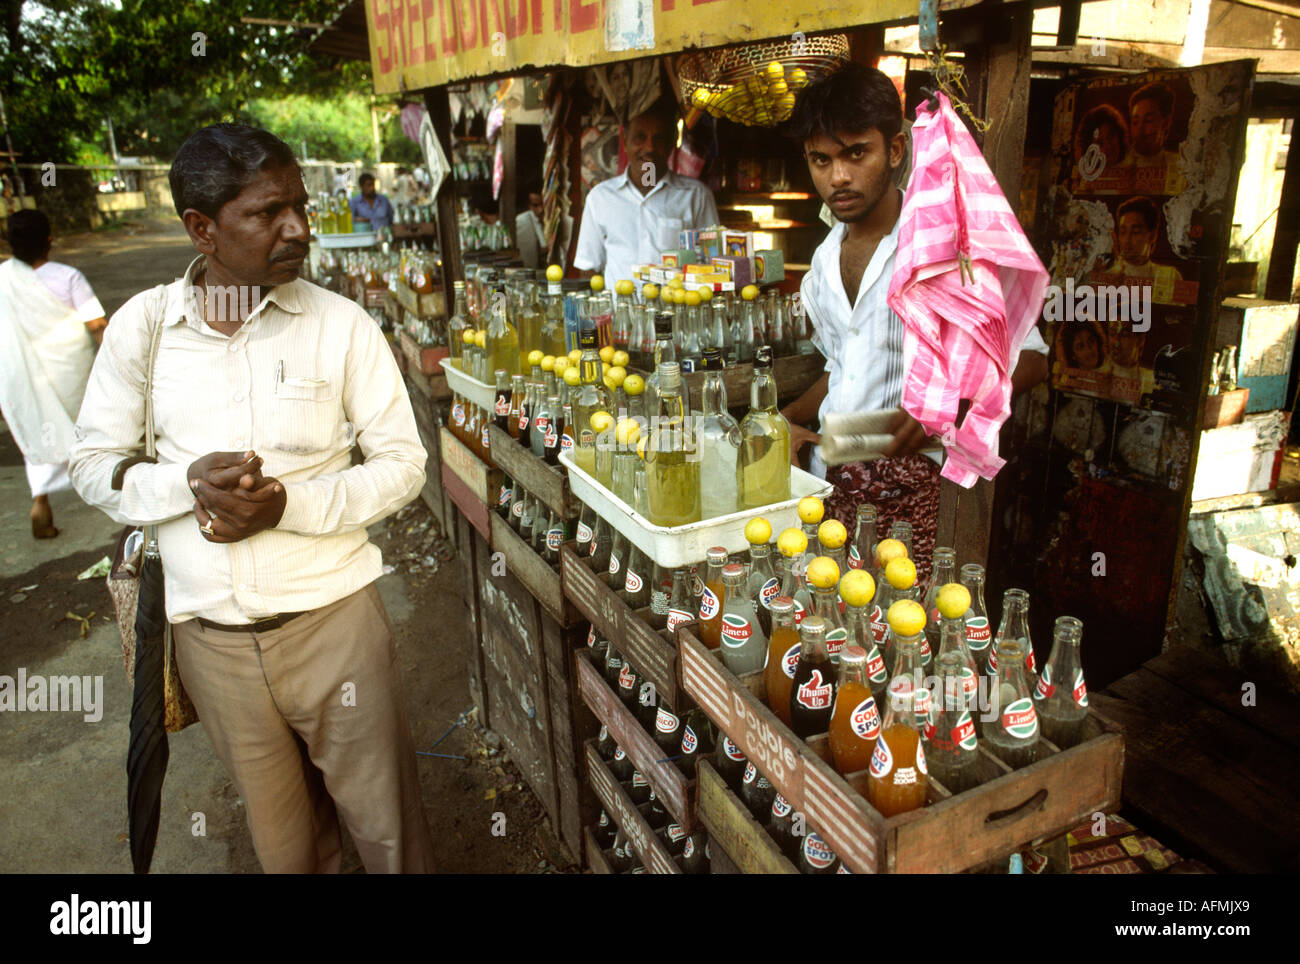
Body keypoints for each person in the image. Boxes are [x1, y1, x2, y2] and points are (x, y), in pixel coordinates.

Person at [68, 123, 435, 874]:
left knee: (389, 834)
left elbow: (404, 465)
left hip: (337, 628)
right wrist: (185, 485)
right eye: (268, 213)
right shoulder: (145, 330)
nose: (297, 228)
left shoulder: (341, 325)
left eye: (298, 206)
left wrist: (286, 507)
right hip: (211, 645)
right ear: (202, 229)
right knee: (289, 849)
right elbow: (91, 466)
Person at [780, 64, 1049, 582]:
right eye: (822, 160)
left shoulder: (946, 252)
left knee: (906, 634)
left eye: (856, 153)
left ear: (896, 150)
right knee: (835, 632)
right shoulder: (821, 263)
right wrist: (787, 417)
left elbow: (1032, 359)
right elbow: (843, 365)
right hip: (832, 478)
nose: (838, 177)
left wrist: (949, 407)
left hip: (919, 489)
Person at [0, 210, 107, 539]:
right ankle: (105, 493)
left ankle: (40, 501)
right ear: (49, 239)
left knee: (41, 424)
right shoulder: (67, 276)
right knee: (90, 429)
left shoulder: (3, 278)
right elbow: (97, 325)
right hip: (72, 372)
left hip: (25, 374)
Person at [573, 97, 719, 287]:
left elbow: (714, 264)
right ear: (625, 141)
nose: (649, 147)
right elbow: (588, 266)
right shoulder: (600, 198)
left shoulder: (696, 196)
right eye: (640, 137)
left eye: (659, 139)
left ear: (672, 143)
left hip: (677, 313)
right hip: (620, 314)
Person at [1105, 195, 1183, 303]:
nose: (1127, 240)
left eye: (1135, 232)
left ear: (1152, 236)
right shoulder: (1108, 274)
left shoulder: (1169, 276)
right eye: (1123, 232)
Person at [515, 177, 547, 269]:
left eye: (543, 204)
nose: (540, 210)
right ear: (528, 205)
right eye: (535, 205)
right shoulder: (523, 221)